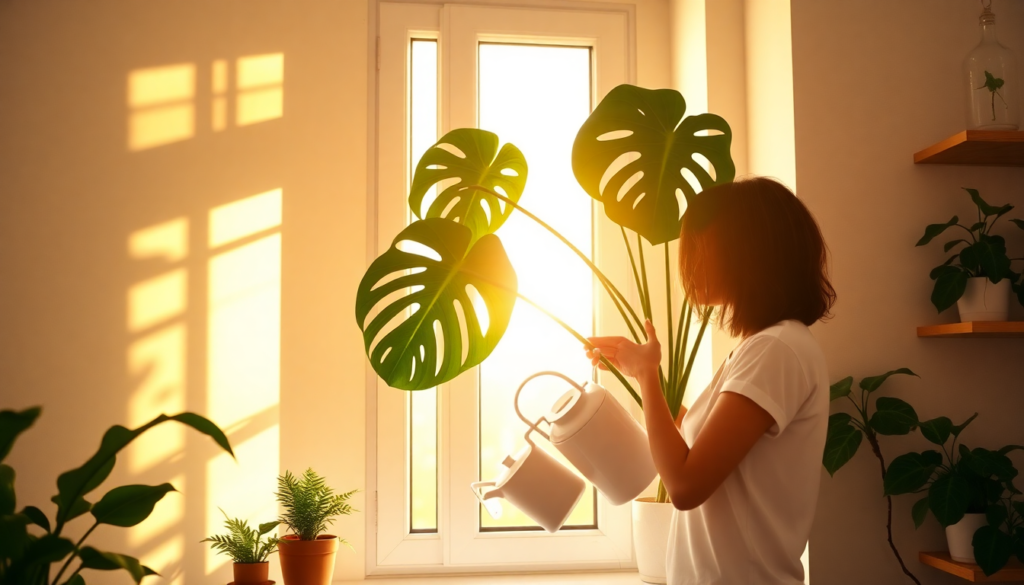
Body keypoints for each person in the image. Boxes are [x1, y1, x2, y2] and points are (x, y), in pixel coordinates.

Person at [586, 177, 836, 585]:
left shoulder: (776, 350)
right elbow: (701, 445)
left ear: (747, 251)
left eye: (701, 245)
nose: (690, 260)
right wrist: (637, 369)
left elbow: (684, 486)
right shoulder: (764, 346)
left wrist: (649, 376)